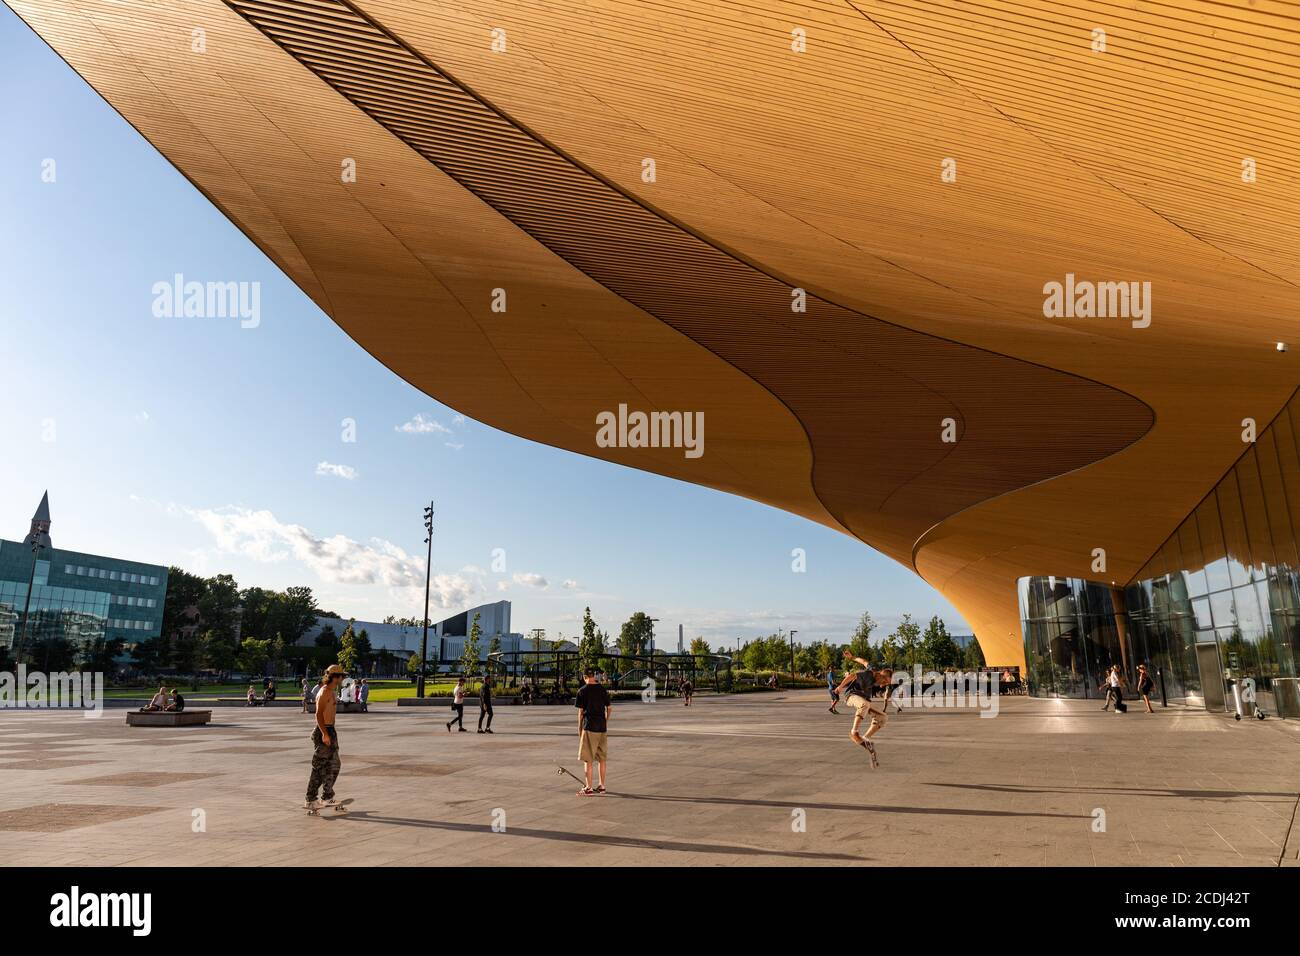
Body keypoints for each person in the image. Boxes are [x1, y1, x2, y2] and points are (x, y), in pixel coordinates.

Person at [835, 651, 888, 768]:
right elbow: (852, 676)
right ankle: (854, 732)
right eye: (884, 682)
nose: (883, 685)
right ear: (881, 675)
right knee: (864, 704)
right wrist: (840, 687)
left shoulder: (874, 668)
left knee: (883, 717)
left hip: (865, 698)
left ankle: (866, 738)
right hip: (852, 696)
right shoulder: (868, 674)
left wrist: (852, 657)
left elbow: (863, 661)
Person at [305, 665, 346, 812]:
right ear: (335, 677)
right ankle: (311, 798)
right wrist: (324, 734)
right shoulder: (324, 692)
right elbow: (318, 714)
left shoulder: (331, 692)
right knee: (319, 766)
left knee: (334, 765)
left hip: (330, 730)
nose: (343, 678)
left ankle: (327, 796)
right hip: (325, 730)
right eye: (341, 676)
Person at [575, 668, 612, 795]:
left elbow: (580, 713)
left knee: (588, 758)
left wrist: (580, 729)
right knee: (602, 758)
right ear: (594, 676)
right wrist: (605, 721)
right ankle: (602, 786)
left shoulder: (582, 691)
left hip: (589, 726)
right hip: (602, 726)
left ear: (585, 677)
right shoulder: (602, 689)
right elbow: (610, 708)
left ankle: (589, 787)